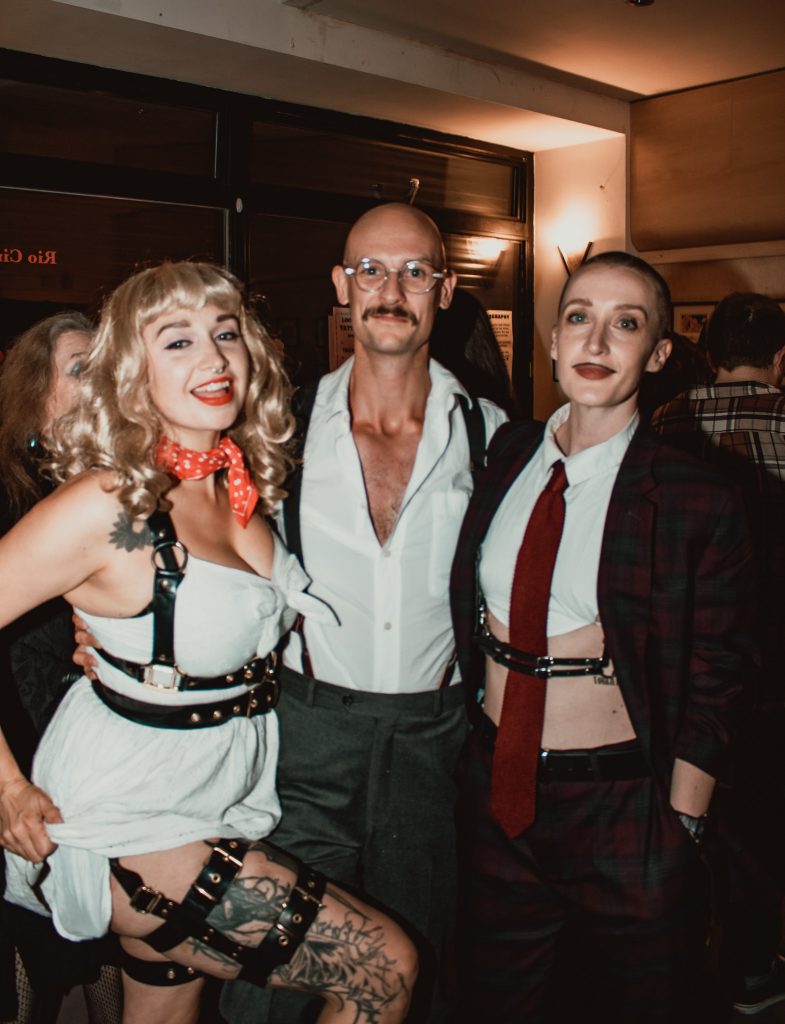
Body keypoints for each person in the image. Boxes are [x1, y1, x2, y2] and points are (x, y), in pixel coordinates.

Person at [0, 261, 417, 1024]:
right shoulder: (104, 502)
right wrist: (3, 786)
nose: (213, 358)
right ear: (131, 371)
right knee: (382, 969)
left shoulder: (233, 485)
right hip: (131, 822)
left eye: (225, 334)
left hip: (215, 801)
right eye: (178, 341)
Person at [450, 251, 757, 1022]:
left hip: (625, 800)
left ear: (655, 355)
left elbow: (722, 670)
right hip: (497, 794)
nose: (596, 341)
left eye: (626, 324)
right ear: (552, 339)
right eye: (580, 317)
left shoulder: (697, 497)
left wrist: (681, 818)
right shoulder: (505, 453)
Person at [220, 202, 507, 1024]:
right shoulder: (278, 430)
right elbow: (199, 545)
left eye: (415, 271)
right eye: (371, 270)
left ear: (444, 291)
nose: (392, 289)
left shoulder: (490, 436)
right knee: (263, 978)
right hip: (303, 740)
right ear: (342, 286)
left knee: (407, 976)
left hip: (434, 745)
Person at [652, 291, 785, 1016]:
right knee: (765, 811)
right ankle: (750, 958)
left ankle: (701, 951)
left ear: (706, 354)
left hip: (692, 655)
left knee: (709, 811)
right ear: (779, 357)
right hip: (775, 654)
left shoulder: (669, 419)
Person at [0, 311, 123, 1024]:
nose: (97, 383)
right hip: (22, 749)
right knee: (27, 955)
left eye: (105, 367)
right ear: (33, 393)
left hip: (94, 760)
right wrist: (8, 784)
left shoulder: (119, 485)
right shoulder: (13, 490)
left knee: (98, 944)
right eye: (79, 368)